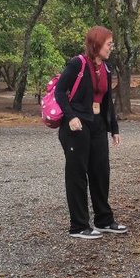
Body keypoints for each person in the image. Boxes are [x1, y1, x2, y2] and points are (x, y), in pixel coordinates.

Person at [54, 26, 128, 240]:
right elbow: (60, 91)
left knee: (101, 172)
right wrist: (70, 116)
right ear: (96, 44)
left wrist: (113, 128)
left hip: (97, 126)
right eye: (109, 44)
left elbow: (107, 102)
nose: (111, 48)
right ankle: (78, 225)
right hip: (76, 126)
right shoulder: (77, 64)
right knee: (77, 174)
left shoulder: (106, 68)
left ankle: (104, 219)